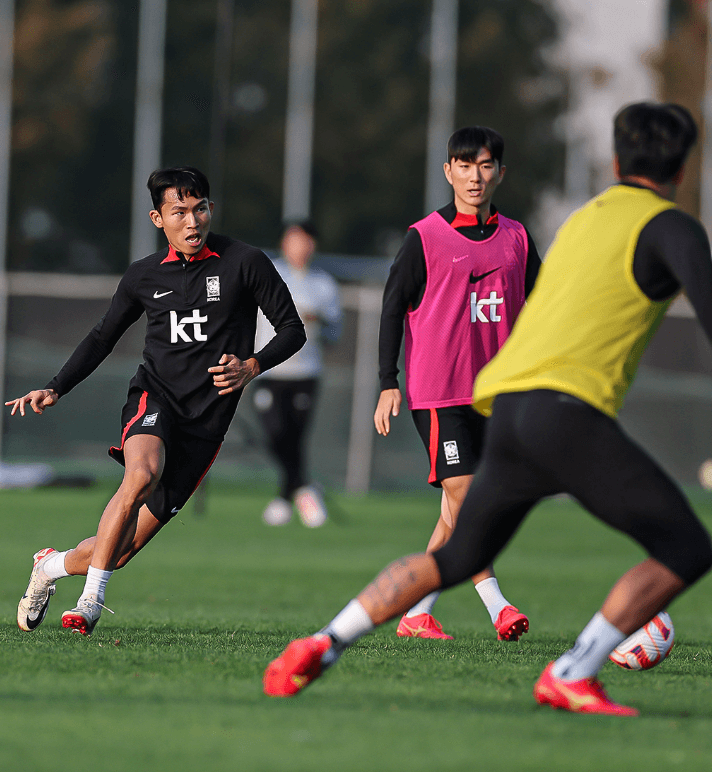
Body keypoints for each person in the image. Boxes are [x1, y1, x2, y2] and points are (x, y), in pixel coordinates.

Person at [263, 102, 712, 716]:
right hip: (560, 409)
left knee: (458, 552)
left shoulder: (581, 221)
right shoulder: (672, 227)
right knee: (686, 546)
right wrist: (389, 378)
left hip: (508, 402)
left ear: (614, 161)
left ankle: (327, 639)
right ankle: (574, 669)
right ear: (683, 171)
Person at [9, 166, 305, 636]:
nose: (192, 221)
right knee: (141, 475)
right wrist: (56, 385)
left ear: (211, 209)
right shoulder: (143, 275)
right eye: (179, 212)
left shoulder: (244, 262)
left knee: (119, 552)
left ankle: (50, 566)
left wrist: (252, 366)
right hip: (155, 397)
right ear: (157, 218)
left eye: (200, 209)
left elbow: (293, 329)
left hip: (206, 424)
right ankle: (90, 602)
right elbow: (103, 335)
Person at [374, 126, 540, 640]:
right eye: (464, 166)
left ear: (500, 174)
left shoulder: (517, 238)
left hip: (498, 396)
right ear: (448, 172)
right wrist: (388, 380)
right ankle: (497, 605)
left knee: (455, 509)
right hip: (438, 393)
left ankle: (415, 612)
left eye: (485, 166)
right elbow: (391, 308)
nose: (474, 176)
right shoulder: (424, 237)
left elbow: (544, 308)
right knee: (465, 493)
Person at [252, 220, 342, 527]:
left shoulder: (323, 284)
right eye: (294, 240)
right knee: (275, 435)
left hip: (305, 372)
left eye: (305, 241)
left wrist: (317, 320)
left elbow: (335, 334)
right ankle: (304, 487)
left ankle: (283, 499)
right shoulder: (266, 273)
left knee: (295, 438)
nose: (300, 247)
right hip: (267, 369)